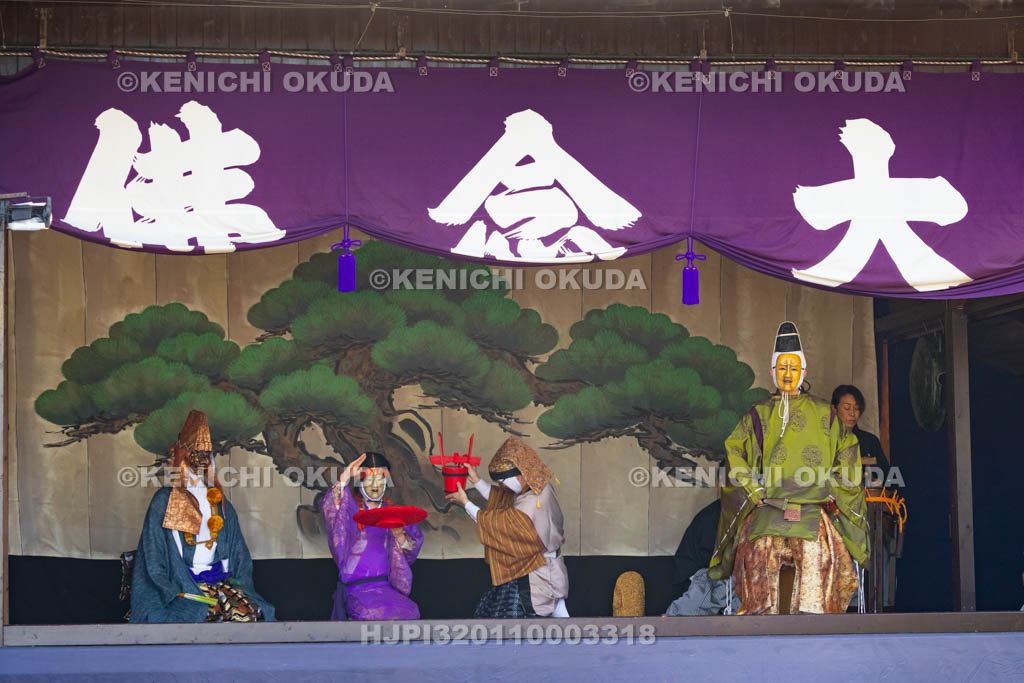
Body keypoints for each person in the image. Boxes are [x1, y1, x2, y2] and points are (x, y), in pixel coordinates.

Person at [708, 322, 869, 615]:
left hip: (813, 507)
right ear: (772, 372)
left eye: (793, 368)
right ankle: (762, 620)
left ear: (803, 372)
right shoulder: (759, 413)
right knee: (758, 551)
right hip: (768, 506)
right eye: (781, 367)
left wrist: (831, 489)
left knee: (815, 552)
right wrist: (752, 489)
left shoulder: (825, 413)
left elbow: (848, 451)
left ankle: (812, 621)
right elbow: (734, 448)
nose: (787, 373)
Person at [131, 410, 274, 623]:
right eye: (195, 454)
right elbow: (154, 558)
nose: (200, 460)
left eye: (205, 455)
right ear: (182, 455)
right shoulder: (164, 501)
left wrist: (237, 584)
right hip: (181, 585)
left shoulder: (221, 503)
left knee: (249, 614)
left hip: (220, 584)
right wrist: (173, 589)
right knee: (189, 614)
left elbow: (239, 556)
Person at [447, 437, 569, 618]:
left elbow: (499, 524)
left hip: (536, 575)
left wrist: (466, 503)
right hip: (540, 567)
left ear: (519, 476)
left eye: (503, 482)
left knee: (514, 624)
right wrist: (476, 481)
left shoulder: (531, 504)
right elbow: (504, 498)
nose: (502, 486)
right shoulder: (537, 485)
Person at [321, 452, 424, 620]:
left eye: (380, 479)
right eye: (369, 479)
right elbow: (331, 510)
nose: (375, 485)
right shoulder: (350, 509)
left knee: (410, 611)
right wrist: (345, 477)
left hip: (387, 587)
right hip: (357, 589)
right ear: (360, 481)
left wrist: (399, 536)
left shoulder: (395, 514)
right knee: (373, 614)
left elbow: (412, 548)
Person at [664, 498, 740, 616]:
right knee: (724, 584)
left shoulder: (732, 510)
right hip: (696, 575)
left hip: (713, 573)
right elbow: (714, 564)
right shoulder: (716, 514)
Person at [831, 385, 892, 487]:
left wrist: (873, 470)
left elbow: (888, 477)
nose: (852, 413)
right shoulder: (825, 439)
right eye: (847, 408)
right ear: (834, 409)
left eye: (856, 408)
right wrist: (861, 461)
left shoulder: (870, 440)